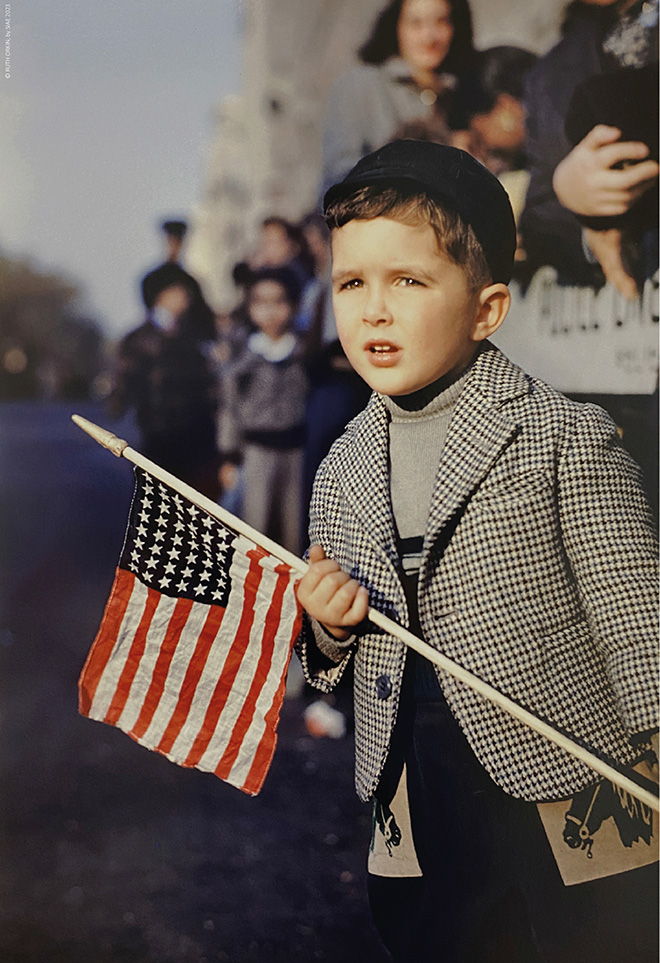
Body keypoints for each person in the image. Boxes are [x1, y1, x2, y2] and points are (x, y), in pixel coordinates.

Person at [295, 140, 658, 962]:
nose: (374, 311)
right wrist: (328, 626)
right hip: (415, 771)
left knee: (592, 940)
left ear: (487, 309)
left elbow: (638, 623)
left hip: (566, 770)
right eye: (352, 283)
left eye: (409, 281)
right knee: (436, 936)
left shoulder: (563, 436)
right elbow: (335, 663)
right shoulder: (344, 464)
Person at [321, 0, 474, 195]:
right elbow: (339, 175)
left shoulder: (464, 91)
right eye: (416, 23)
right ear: (396, 27)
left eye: (441, 21)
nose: (429, 36)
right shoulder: (359, 86)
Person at [217, 266, 308, 555]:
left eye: (279, 302)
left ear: (293, 306)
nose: (270, 311)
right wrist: (229, 455)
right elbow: (229, 409)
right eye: (261, 303)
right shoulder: (244, 358)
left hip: (297, 451)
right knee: (256, 526)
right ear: (251, 308)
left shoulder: (304, 353)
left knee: (294, 527)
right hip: (256, 451)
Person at [108, 262, 219, 499]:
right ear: (161, 295)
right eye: (179, 291)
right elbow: (122, 387)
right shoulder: (138, 340)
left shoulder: (198, 336)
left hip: (196, 438)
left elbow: (211, 385)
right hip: (155, 435)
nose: (185, 298)